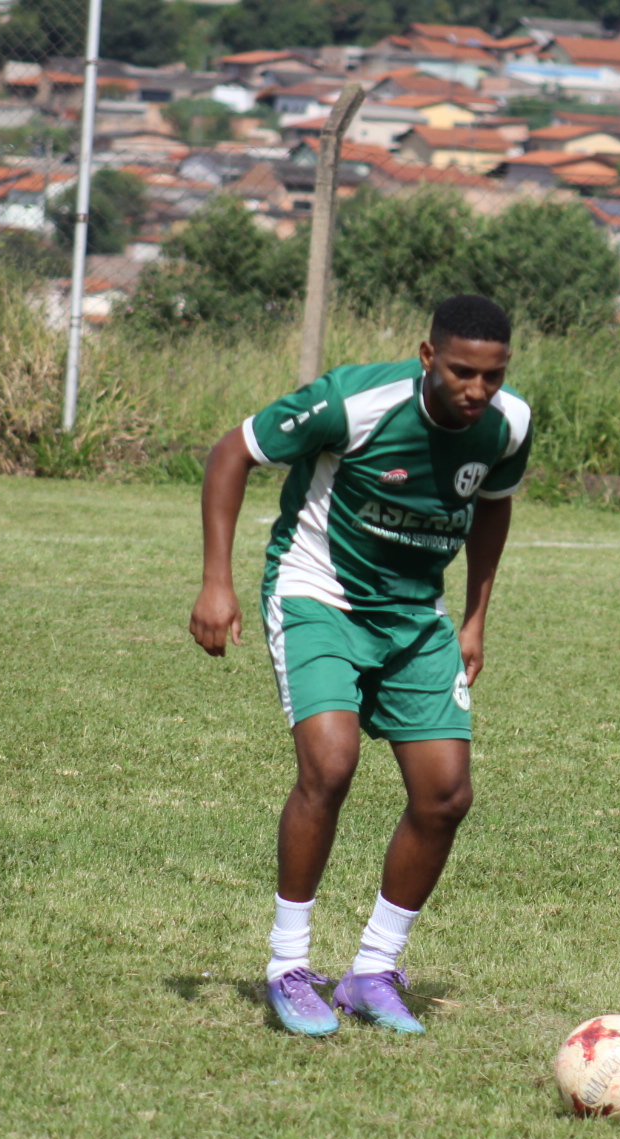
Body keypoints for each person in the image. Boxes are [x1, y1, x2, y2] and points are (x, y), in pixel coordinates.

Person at [190, 294, 530, 1038]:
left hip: (417, 616)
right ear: (427, 355)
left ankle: (373, 971)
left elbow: (495, 504)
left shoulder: (510, 426)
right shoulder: (354, 402)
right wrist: (217, 581)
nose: (477, 392)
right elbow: (231, 452)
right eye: (463, 372)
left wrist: (474, 617)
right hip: (320, 594)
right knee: (331, 765)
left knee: (445, 795)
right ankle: (288, 967)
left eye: (493, 377)